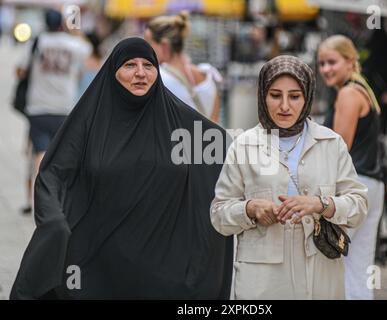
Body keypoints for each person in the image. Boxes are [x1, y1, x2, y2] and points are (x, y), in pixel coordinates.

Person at [10, 37, 233, 299]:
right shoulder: (88, 122)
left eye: (148, 65)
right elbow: (53, 173)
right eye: (129, 65)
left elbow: (219, 157)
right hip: (96, 264)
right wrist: (54, 223)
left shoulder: (180, 124)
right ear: (113, 71)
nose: (140, 73)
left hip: (161, 270)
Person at [210, 55, 368, 300]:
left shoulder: (331, 143)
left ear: (307, 97)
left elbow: (359, 205)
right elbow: (219, 214)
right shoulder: (243, 145)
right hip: (263, 283)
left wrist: (321, 204)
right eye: (275, 95)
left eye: (294, 96)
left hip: (321, 276)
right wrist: (250, 209)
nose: (285, 106)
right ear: (263, 96)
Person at [318, 35, 385, 300]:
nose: (326, 69)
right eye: (322, 63)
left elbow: (339, 148)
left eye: (332, 62)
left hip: (354, 187)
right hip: (371, 185)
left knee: (333, 261)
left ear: (350, 60)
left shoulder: (348, 94)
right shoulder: (363, 88)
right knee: (358, 263)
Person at [15, 9, 91, 203]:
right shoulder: (74, 45)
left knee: (40, 151)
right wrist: (73, 30)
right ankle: (56, 194)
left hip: (38, 105)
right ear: (61, 24)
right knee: (60, 153)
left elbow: (20, 71)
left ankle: (39, 193)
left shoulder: (37, 42)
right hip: (64, 106)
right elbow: (88, 53)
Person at [144, 11, 222, 123]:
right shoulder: (209, 76)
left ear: (164, 46)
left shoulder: (160, 78)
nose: (146, 49)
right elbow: (215, 122)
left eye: (149, 43)